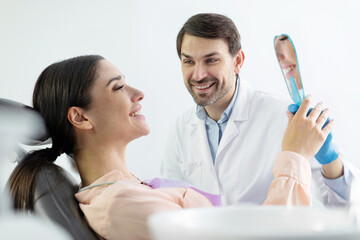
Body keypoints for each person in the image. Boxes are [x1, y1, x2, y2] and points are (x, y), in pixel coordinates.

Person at [9, 55, 331, 240]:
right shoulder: (121, 205)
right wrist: (295, 155)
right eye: (118, 87)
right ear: (80, 117)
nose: (138, 93)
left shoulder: (135, 189)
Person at [162, 13, 358, 206]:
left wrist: (330, 159)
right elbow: (170, 204)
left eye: (211, 60)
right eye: (189, 61)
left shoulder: (285, 118)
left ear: (237, 61)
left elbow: (344, 206)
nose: (198, 74)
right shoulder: (180, 128)